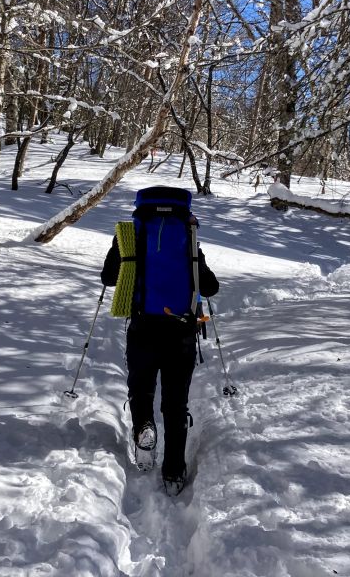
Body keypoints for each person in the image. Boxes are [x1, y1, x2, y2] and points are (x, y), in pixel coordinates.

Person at [101, 186, 219, 495]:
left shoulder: (131, 234)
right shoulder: (188, 237)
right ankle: (174, 472)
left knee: (141, 387)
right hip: (181, 331)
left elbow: (108, 278)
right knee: (175, 402)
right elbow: (210, 287)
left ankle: (144, 428)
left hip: (143, 325)